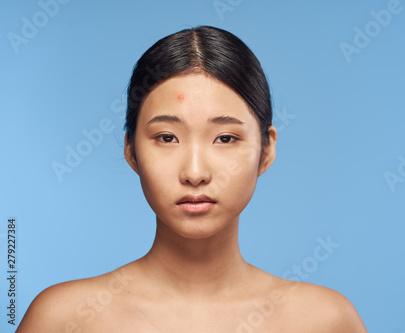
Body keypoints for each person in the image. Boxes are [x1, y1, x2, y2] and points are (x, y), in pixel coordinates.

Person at [17, 25, 367, 332]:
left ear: (266, 149)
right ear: (130, 149)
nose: (195, 173)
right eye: (167, 137)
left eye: (226, 138)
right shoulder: (61, 319)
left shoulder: (324, 321)